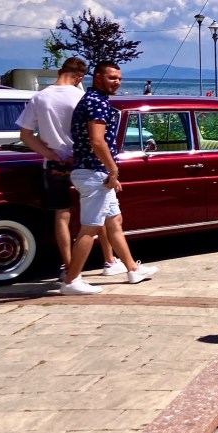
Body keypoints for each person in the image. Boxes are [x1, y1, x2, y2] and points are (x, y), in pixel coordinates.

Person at [16, 56, 121, 281]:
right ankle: (109, 260)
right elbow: (95, 134)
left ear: (59, 71)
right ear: (81, 77)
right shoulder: (82, 97)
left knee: (62, 215)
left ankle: (68, 265)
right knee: (98, 213)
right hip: (84, 161)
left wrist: (51, 154)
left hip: (55, 164)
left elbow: (25, 135)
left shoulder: (39, 97)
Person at [61, 62, 158, 295]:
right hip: (95, 172)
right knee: (90, 228)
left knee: (114, 221)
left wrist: (110, 173)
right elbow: (97, 140)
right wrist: (112, 171)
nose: (117, 82)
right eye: (112, 78)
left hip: (97, 172)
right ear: (97, 77)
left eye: (119, 78)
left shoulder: (94, 100)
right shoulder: (96, 102)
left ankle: (132, 269)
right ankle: (71, 281)